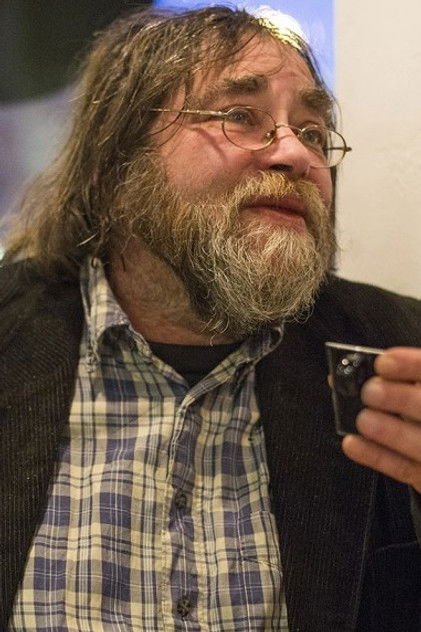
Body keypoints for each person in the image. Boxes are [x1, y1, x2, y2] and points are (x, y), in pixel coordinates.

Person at [0, 6, 420, 631]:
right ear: (118, 165)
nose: (296, 154)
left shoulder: (398, 347)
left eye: (313, 132)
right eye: (240, 116)